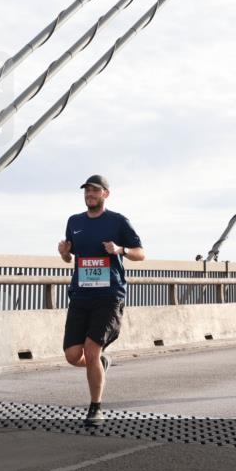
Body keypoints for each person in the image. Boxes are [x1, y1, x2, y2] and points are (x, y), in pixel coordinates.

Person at [58, 174, 145, 426]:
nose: (89, 195)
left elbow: (141, 253)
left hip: (109, 296)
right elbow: (69, 257)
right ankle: (101, 362)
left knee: (91, 349)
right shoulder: (74, 222)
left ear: (106, 194)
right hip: (80, 295)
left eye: (95, 191)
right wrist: (64, 254)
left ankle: (95, 407)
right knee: (73, 355)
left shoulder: (118, 222)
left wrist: (121, 250)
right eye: (86, 191)